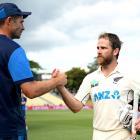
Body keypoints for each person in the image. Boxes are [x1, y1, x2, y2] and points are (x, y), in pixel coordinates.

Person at [53, 32, 140, 140]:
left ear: (115, 51)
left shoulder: (130, 75)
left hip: (123, 136)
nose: (99, 51)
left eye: (103, 48)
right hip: (98, 135)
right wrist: (60, 86)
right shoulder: (90, 78)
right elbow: (76, 107)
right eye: (98, 48)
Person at [0, 3, 67, 140]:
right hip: (8, 130)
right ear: (8, 21)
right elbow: (30, 90)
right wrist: (57, 81)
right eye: (21, 22)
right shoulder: (13, 50)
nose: (23, 27)